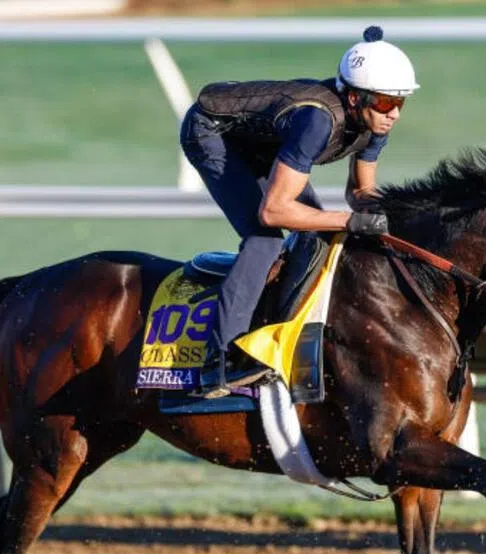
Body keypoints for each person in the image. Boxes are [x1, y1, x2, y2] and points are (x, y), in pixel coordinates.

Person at [179, 25, 418, 399]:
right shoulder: (317, 121)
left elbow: (360, 191)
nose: (395, 115)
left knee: (314, 234)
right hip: (212, 133)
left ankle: (285, 335)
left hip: (261, 143)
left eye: (400, 103)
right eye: (386, 103)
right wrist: (348, 220)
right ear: (355, 98)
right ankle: (221, 360)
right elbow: (274, 212)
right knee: (264, 241)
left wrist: (390, 217)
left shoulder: (375, 124)